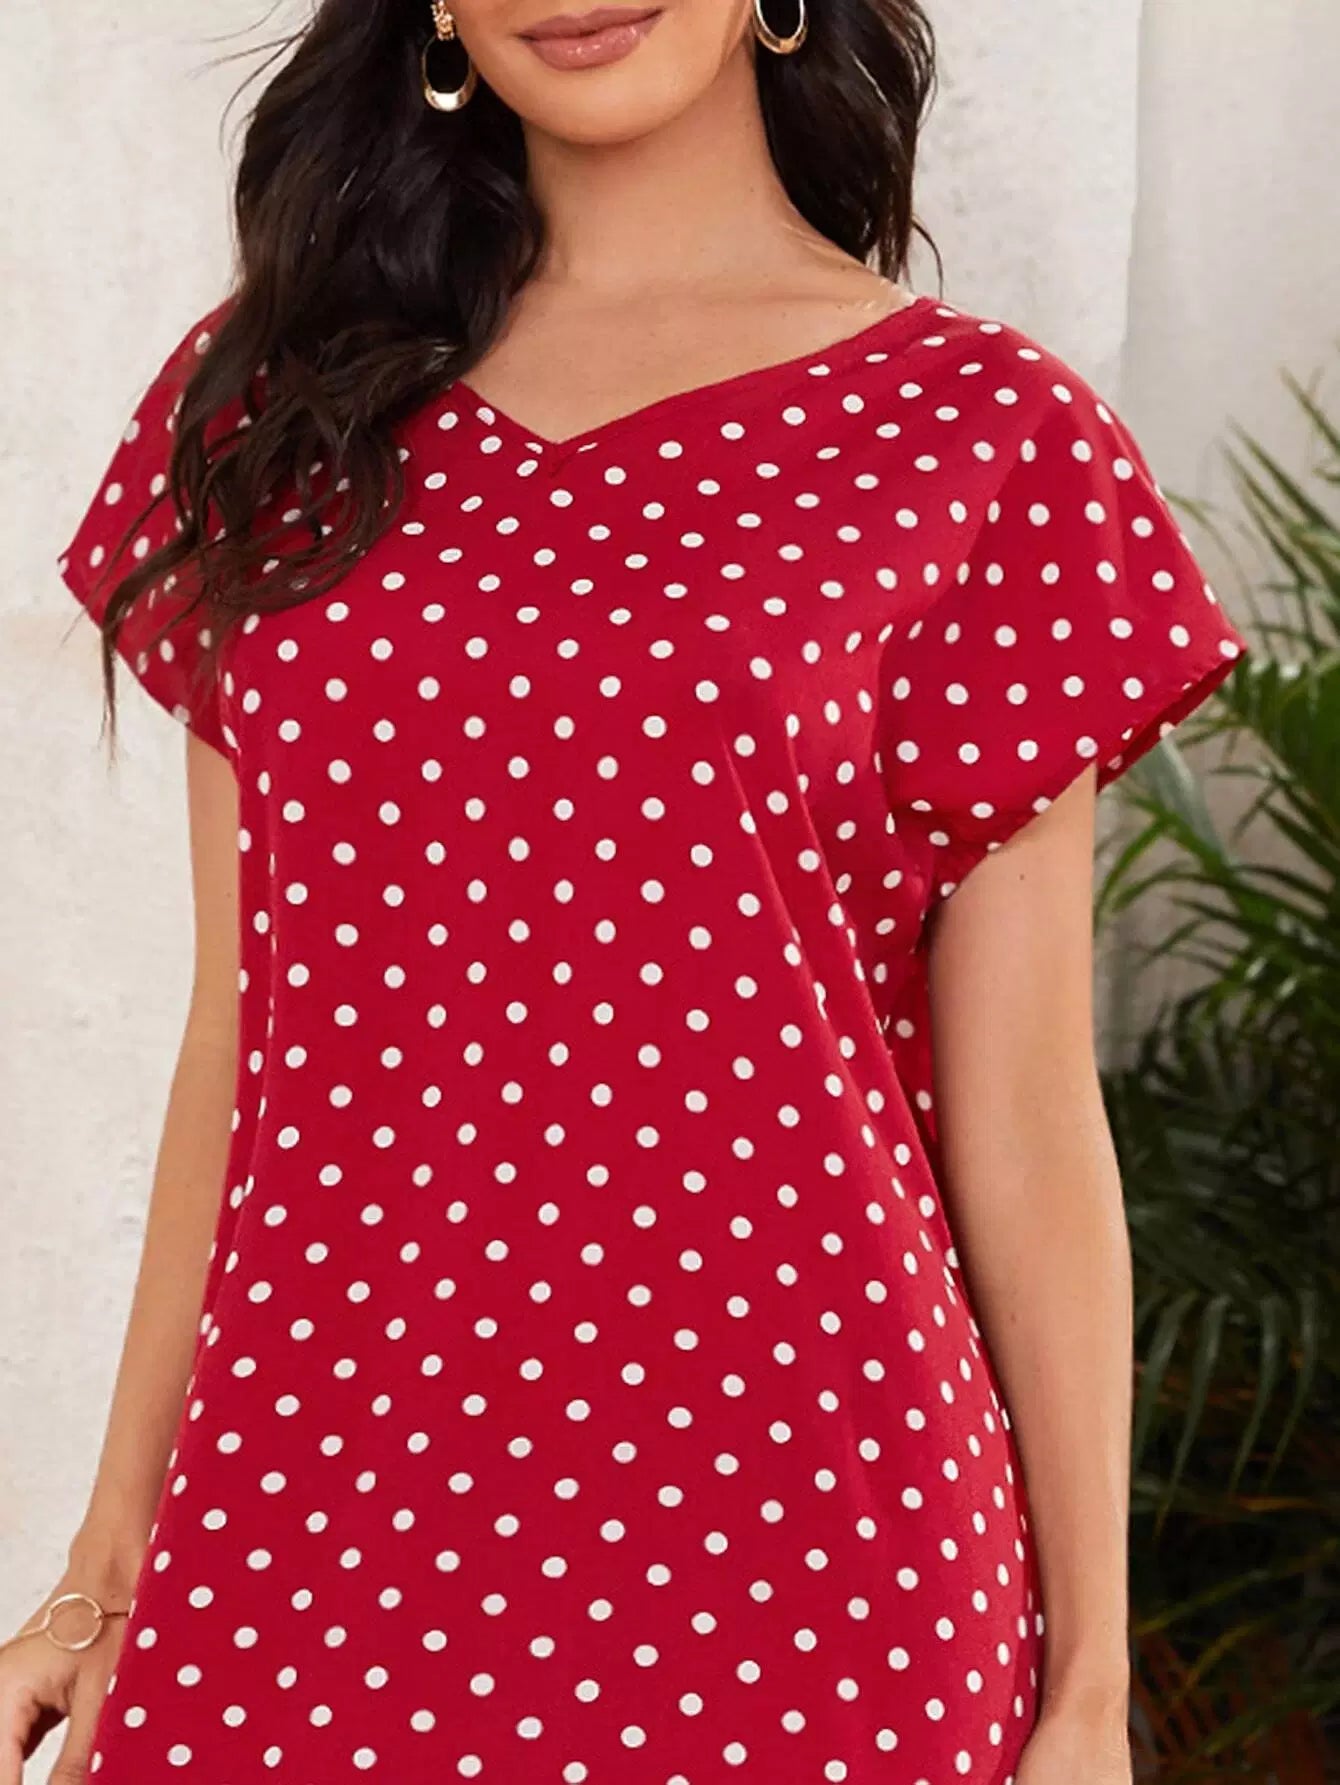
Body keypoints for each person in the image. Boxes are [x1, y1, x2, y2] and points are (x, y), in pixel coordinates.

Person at [5, 2, 1249, 1782]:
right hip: (310, 1533)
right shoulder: (284, 406)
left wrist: (1088, 1696)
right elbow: (245, 1037)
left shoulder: (981, 435)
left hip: (820, 1556)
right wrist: (105, 1569)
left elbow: (1033, 1121)